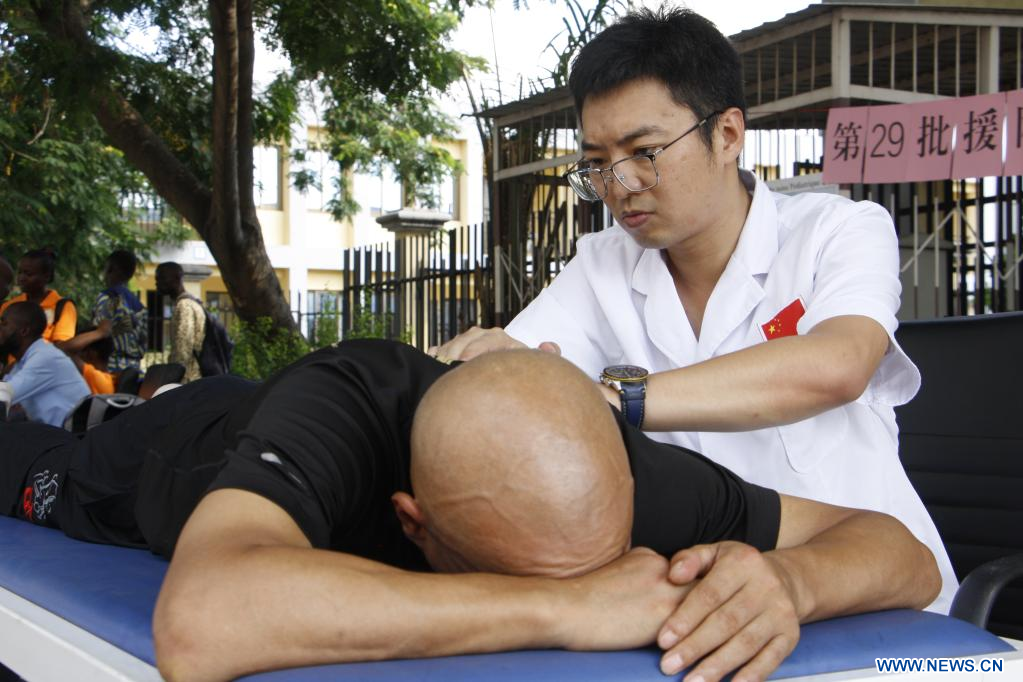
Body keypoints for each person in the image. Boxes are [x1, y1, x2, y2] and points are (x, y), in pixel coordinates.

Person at [0, 340, 939, 682]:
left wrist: (787, 583)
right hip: (147, 460)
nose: (617, 583)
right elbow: (201, 625)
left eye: (608, 558)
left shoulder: (621, 467)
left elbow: (903, 553)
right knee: (34, 459)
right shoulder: (344, 408)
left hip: (265, 423)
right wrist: (566, 608)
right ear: (413, 522)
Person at [429, 7, 956, 612]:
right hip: (703, 608)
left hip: (877, 603)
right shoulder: (603, 264)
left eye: (645, 151)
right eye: (597, 163)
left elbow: (837, 365)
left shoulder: (835, 230)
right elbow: (518, 375)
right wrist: (485, 367)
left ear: (727, 135)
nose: (619, 185)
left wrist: (614, 399)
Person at [0, 302, 90, 426]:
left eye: (4, 324)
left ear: (24, 331)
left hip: (74, 435)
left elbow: (4, 394)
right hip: (55, 433)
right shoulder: (23, 363)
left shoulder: (45, 357)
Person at [0, 249, 77, 346]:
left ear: (46, 276)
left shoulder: (63, 307)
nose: (21, 278)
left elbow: (64, 346)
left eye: (28, 274)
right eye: (20, 272)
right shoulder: (9, 305)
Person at [90, 250, 147, 375]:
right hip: (134, 372)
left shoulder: (107, 298)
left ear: (111, 269)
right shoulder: (140, 306)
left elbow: (97, 337)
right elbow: (143, 344)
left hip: (109, 370)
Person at [154, 261, 204, 382]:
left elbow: (182, 352)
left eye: (162, 278)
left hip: (188, 380)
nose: (157, 283)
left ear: (177, 278)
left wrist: (173, 380)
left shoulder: (184, 306)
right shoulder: (187, 303)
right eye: (156, 279)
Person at [63, 322, 117, 394]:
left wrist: (100, 333)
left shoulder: (97, 379)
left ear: (90, 354)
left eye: (78, 351)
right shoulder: (108, 380)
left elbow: (65, 350)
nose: (77, 356)